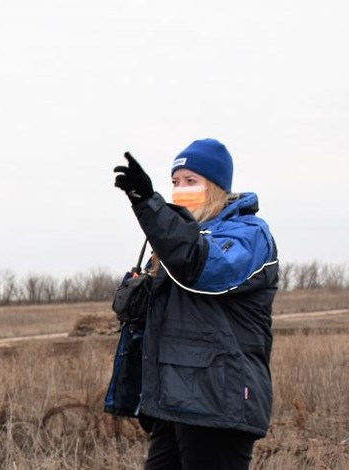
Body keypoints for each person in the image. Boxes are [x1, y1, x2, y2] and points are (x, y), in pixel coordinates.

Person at [112, 138, 278, 470]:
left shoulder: (247, 234)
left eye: (191, 181)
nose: (180, 190)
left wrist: (149, 206)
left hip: (218, 401)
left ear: (216, 186)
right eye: (175, 182)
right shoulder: (181, 238)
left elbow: (202, 268)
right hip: (174, 402)